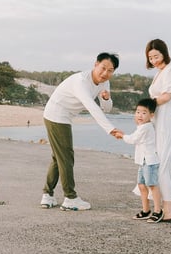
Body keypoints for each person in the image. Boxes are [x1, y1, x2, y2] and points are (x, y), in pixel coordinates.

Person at [40, 52, 123, 211]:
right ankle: (70, 198)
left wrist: (106, 98)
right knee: (66, 157)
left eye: (110, 70)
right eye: (103, 68)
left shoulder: (104, 83)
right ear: (95, 64)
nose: (105, 73)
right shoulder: (81, 81)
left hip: (65, 116)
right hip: (56, 114)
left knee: (58, 157)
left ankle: (47, 195)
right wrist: (111, 129)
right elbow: (91, 107)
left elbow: (106, 108)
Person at [146, 38, 171, 223]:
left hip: (166, 124)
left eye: (156, 56)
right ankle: (170, 208)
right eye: (150, 57)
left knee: (162, 168)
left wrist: (147, 105)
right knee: (167, 168)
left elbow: (167, 95)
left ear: (164, 53)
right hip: (160, 123)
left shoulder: (170, 70)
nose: (153, 60)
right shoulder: (159, 72)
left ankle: (168, 210)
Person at [116, 97, 163, 223]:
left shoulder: (146, 127)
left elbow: (133, 140)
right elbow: (135, 138)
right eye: (137, 112)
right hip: (142, 162)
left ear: (151, 115)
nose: (140, 115)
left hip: (150, 161)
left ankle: (158, 211)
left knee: (152, 185)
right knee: (142, 185)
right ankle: (146, 210)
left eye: (144, 112)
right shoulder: (142, 127)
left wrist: (122, 135)